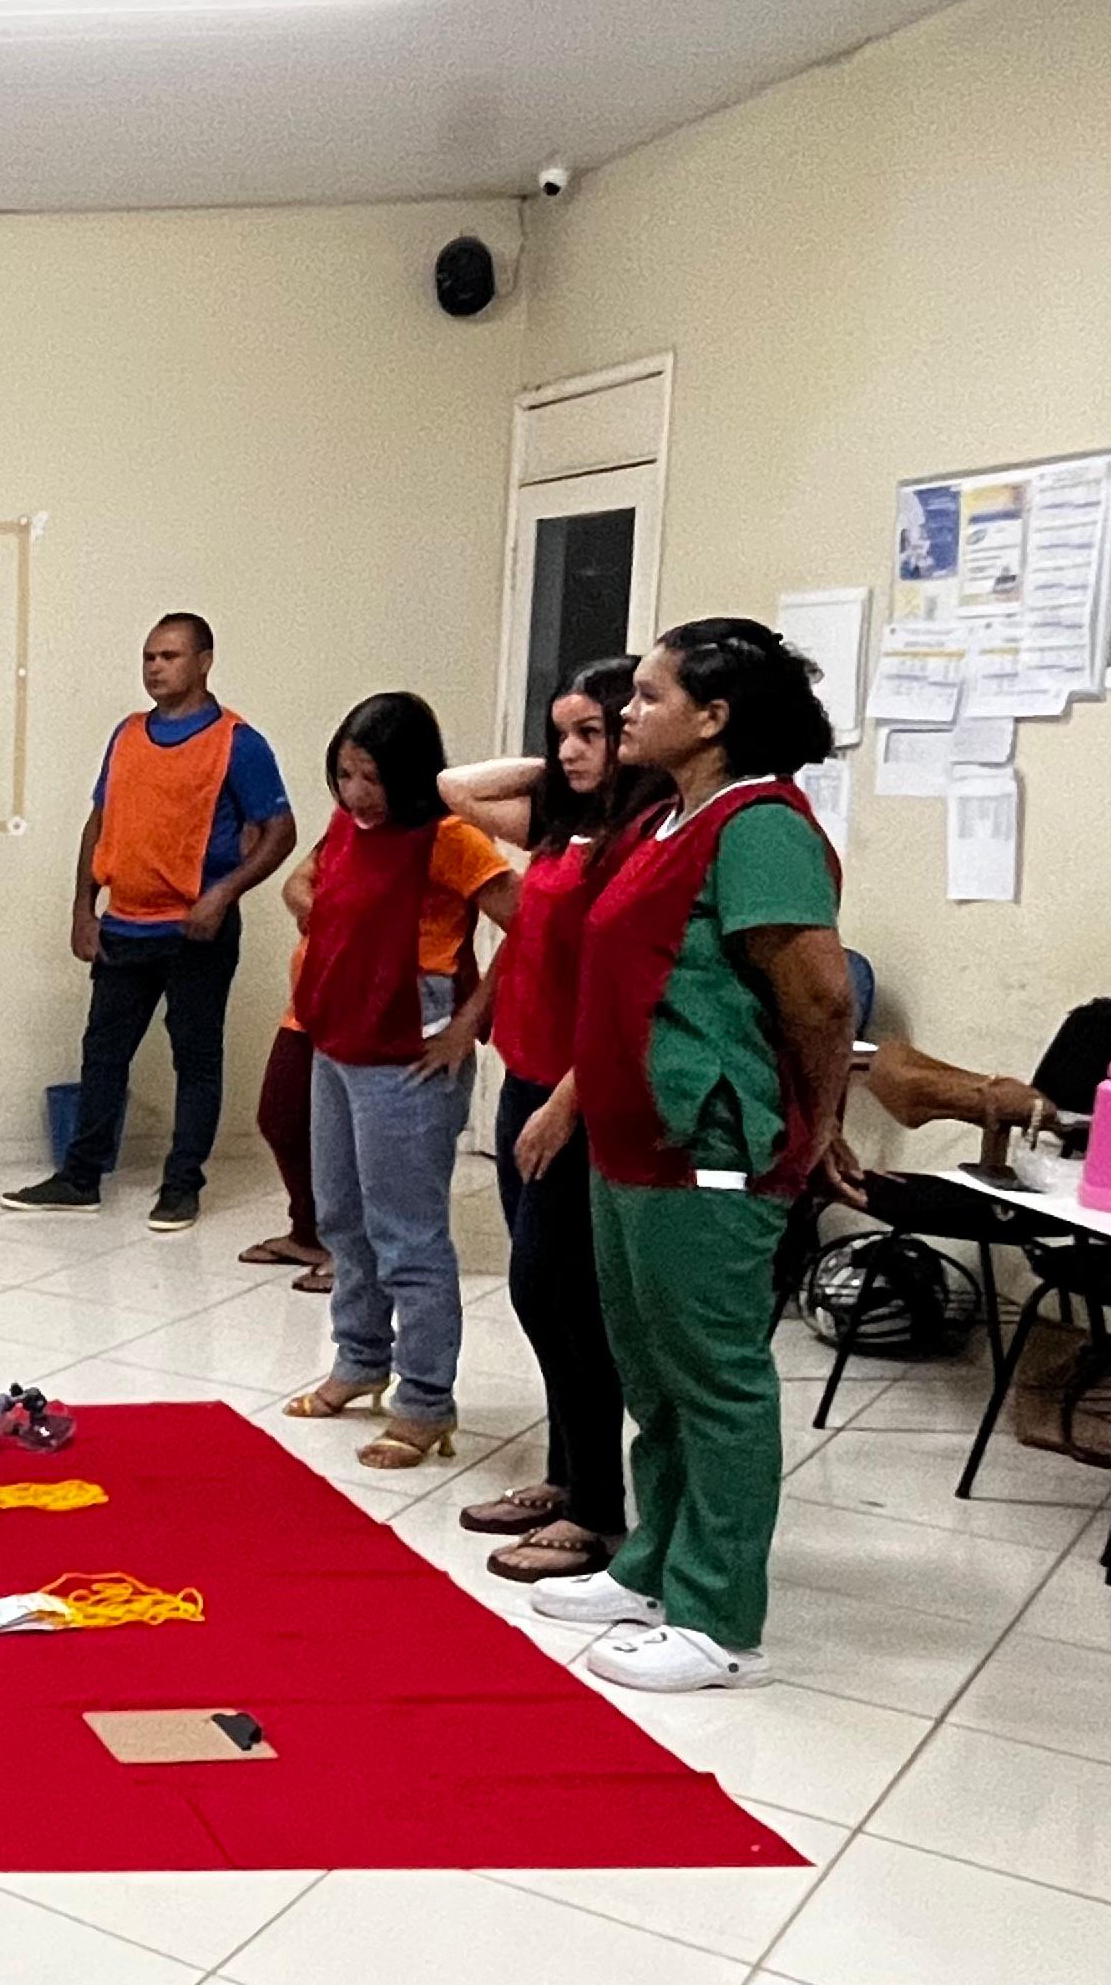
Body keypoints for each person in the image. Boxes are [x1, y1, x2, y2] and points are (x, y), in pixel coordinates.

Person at [518, 619, 862, 1694]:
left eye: (651, 696)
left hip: (711, 1148)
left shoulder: (759, 828)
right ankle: (653, 1567)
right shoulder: (665, 817)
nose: (627, 711)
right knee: (652, 1376)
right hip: (635, 1144)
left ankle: (718, 1620)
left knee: (716, 1383)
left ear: (714, 718)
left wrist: (817, 1128)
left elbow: (820, 999)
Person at [438, 657, 668, 1579]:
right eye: (561, 733)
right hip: (524, 1077)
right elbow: (455, 787)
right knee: (548, 1298)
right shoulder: (563, 823)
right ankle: (567, 1475)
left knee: (555, 1293)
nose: (570, 750)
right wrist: (563, 760)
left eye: (592, 732)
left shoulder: (647, 834)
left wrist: (568, 1102)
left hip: (583, 1094)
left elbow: (635, 990)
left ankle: (597, 1509)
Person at [278, 692, 515, 1469]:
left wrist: (467, 1025)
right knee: (342, 1219)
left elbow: (533, 924)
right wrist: (328, 916)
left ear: (409, 774)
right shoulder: (349, 825)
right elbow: (300, 884)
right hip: (338, 1039)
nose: (355, 793)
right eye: (344, 774)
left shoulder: (450, 836)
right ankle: (359, 1360)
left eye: (372, 777)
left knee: (407, 1237)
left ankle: (425, 1401)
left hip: (411, 1049)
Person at [9, 613, 295, 1229]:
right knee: (102, 1056)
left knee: (196, 1059)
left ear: (204, 662)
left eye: (169, 656)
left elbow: (281, 831)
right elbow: (99, 822)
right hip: (125, 927)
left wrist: (224, 894)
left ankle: (181, 1186)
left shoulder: (238, 741)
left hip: (196, 932)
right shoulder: (127, 734)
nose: (156, 667)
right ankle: (80, 1178)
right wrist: (83, 909)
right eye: (149, 657)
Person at [244, 944, 327, 1286]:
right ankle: (309, 1233)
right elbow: (299, 900)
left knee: (355, 1137)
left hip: (367, 1001)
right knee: (280, 1118)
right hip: (311, 996)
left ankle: (358, 1255)